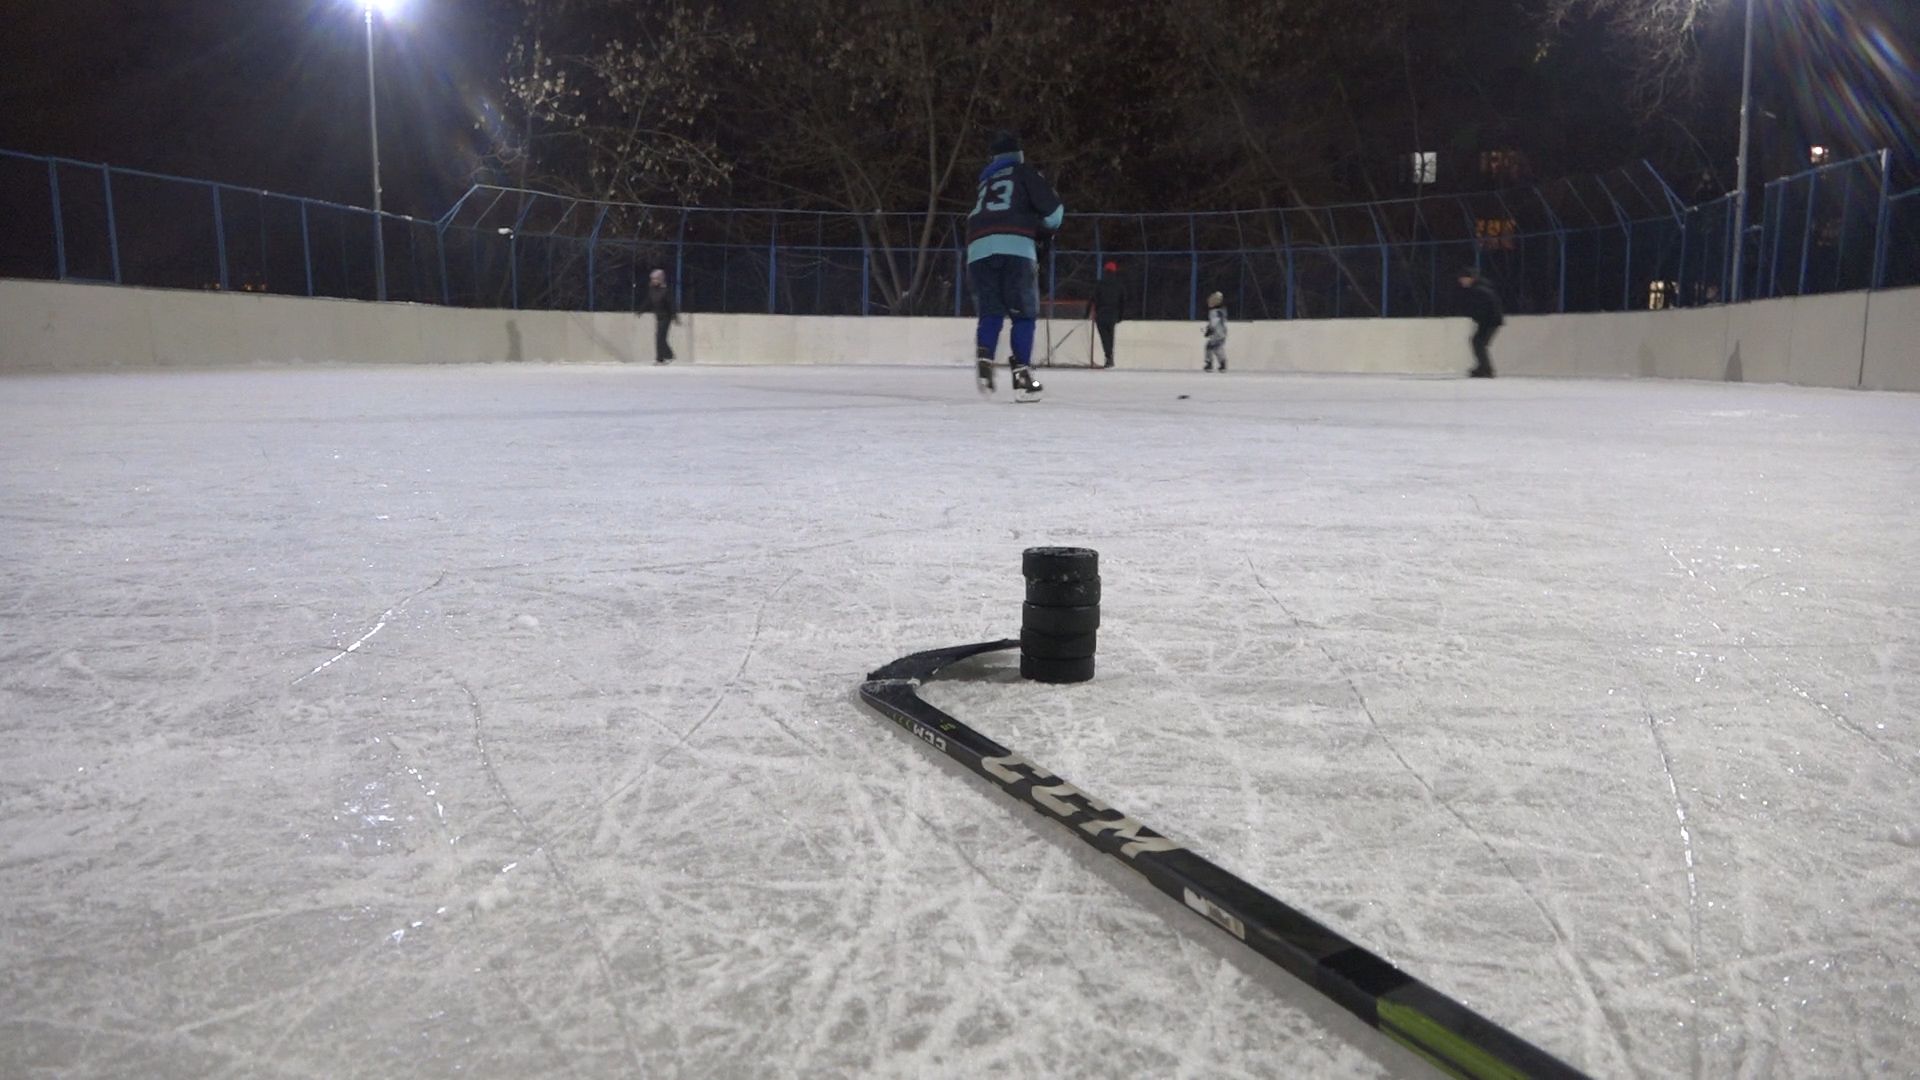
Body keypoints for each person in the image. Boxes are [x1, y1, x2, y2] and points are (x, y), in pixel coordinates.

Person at [966, 130, 1064, 397]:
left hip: (977, 248)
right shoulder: (1024, 173)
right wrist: (1040, 228)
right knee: (1023, 314)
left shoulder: (984, 184)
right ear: (1017, 155)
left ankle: (985, 355)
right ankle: (1022, 373)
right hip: (1016, 247)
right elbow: (1054, 214)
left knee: (991, 310)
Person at [1456, 268, 1502, 378]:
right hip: (1489, 320)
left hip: (1489, 321)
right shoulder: (1480, 288)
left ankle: (1486, 369)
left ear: (1469, 278)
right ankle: (1483, 367)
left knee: (1478, 343)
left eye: (1463, 279)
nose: (1461, 282)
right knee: (1478, 343)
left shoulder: (1479, 290)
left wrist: (1477, 315)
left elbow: (1485, 306)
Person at [1091, 261, 1126, 368]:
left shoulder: (1100, 284)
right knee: (1110, 336)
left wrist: (1090, 313)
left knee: (1104, 337)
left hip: (1101, 313)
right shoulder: (1119, 285)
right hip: (1113, 313)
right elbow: (1123, 301)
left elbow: (1094, 299)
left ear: (1105, 271)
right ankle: (1109, 357)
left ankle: (1108, 356)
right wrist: (1120, 316)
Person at [646, 268, 678, 364]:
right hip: (659, 317)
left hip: (666, 317)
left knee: (660, 337)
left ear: (660, 279)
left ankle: (662, 358)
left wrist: (674, 316)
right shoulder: (652, 290)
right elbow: (648, 301)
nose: (653, 281)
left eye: (655, 279)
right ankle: (667, 356)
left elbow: (671, 304)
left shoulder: (665, 291)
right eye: (652, 279)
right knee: (660, 337)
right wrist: (641, 310)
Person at [1203, 291, 1228, 372]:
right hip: (1222, 332)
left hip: (1217, 333)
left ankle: (1209, 364)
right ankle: (1222, 363)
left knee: (1209, 347)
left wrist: (1209, 330)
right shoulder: (1221, 310)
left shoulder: (1214, 311)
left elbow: (1214, 321)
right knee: (1217, 348)